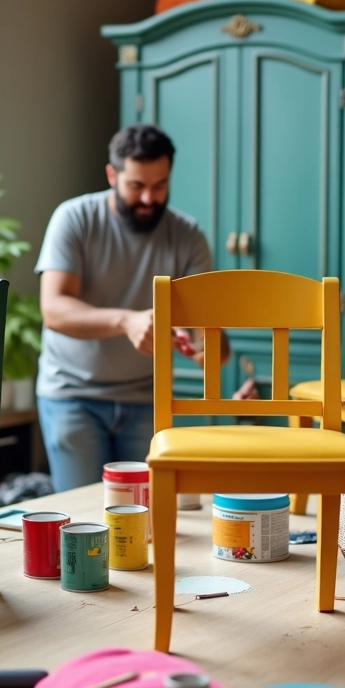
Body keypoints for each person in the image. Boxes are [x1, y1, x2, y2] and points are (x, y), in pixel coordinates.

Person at [35, 124, 230, 492]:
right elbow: (54, 309)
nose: (147, 199)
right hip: (72, 395)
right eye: (136, 186)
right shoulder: (73, 218)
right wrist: (126, 321)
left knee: (142, 520)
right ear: (113, 175)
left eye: (159, 187)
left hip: (147, 399)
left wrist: (203, 346)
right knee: (82, 515)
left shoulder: (188, 237)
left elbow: (215, 347)